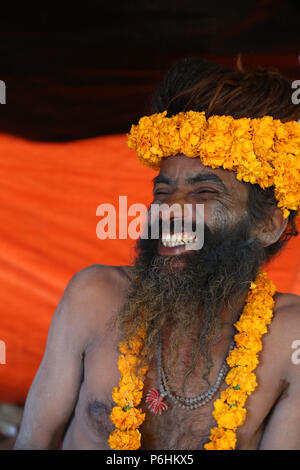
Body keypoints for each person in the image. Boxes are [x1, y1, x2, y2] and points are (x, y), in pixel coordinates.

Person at [14, 57, 300, 450]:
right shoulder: (94, 297)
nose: (171, 212)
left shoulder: (289, 336)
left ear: (268, 224)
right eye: (162, 194)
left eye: (204, 193)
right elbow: (34, 443)